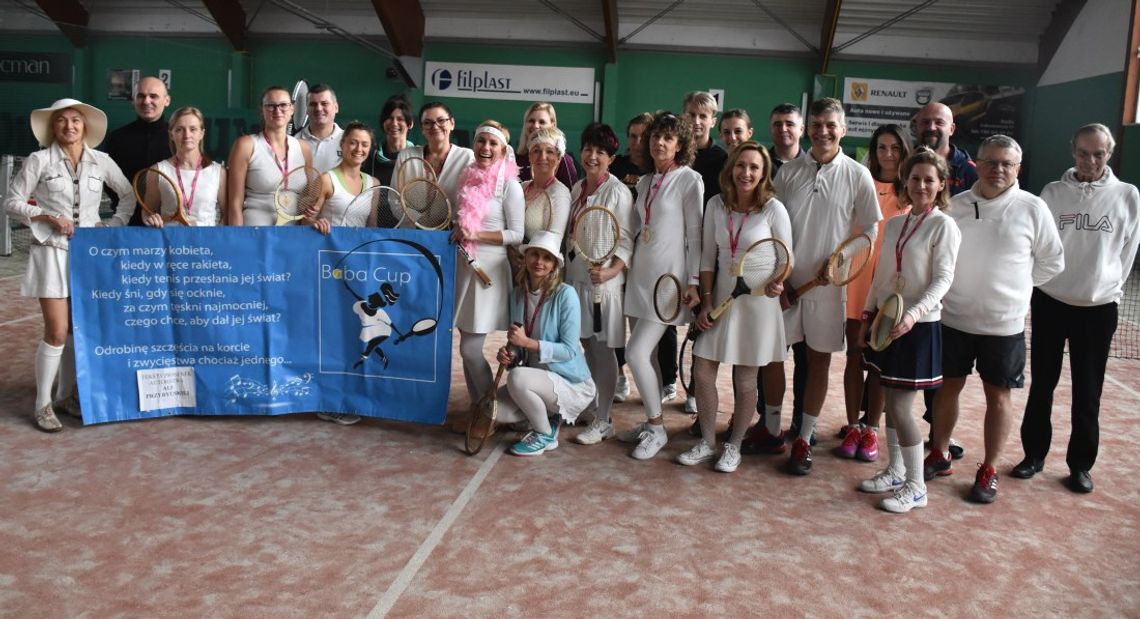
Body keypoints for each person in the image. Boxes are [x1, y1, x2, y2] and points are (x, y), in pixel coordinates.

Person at [926, 135, 1064, 504]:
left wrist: (1015, 289)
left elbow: (1053, 261)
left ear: (1017, 169)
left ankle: (988, 468)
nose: (998, 169)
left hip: (1004, 326)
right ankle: (938, 453)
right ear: (978, 164)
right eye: (991, 161)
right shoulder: (955, 206)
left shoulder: (1033, 208)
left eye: (1007, 163)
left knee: (998, 396)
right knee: (946, 388)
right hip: (953, 318)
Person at [1013, 123, 1140, 494]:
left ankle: (1081, 466)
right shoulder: (1053, 193)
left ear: (1109, 154)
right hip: (1051, 302)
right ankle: (1033, 456)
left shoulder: (1127, 196)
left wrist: (1109, 289)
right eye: (1084, 153)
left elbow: (1127, 252)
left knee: (1089, 391)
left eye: (1098, 153)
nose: (1090, 160)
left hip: (1098, 309)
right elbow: (1038, 245)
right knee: (1042, 386)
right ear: (1073, 152)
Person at [3, 98, 136, 431]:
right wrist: (46, 215)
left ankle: (66, 396)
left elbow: (129, 194)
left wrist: (114, 224)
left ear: (85, 127)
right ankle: (43, 404)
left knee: (78, 330)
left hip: (89, 255)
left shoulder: (101, 161)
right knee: (57, 330)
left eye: (76, 121)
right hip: (51, 251)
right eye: (62, 121)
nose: (69, 127)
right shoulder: (38, 160)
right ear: (53, 127)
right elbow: (11, 202)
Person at [775, 97, 881, 475]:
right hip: (784, 285)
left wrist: (840, 261)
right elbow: (774, 225)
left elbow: (870, 228)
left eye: (830, 125)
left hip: (828, 289)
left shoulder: (857, 174)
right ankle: (771, 427)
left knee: (818, 360)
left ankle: (803, 437)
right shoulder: (787, 173)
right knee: (773, 356)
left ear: (843, 129)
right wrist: (780, 276)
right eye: (816, 124)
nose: (823, 131)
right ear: (808, 128)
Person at [857, 148, 961, 513]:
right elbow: (882, 273)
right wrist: (869, 312)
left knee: (901, 407)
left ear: (941, 185)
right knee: (887, 398)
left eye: (929, 180)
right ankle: (897, 471)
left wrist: (914, 315)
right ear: (906, 181)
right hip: (886, 321)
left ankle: (917, 488)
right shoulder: (897, 224)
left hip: (918, 327)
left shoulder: (943, 225)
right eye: (915, 178)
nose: (920, 185)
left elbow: (943, 279)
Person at [677, 142, 790, 472]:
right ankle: (707, 441)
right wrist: (707, 300)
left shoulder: (773, 209)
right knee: (702, 371)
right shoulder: (715, 204)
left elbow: (785, 258)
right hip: (721, 298)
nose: (747, 173)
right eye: (741, 166)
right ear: (731, 169)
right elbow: (707, 257)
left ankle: (734, 445)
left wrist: (778, 280)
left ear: (763, 173)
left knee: (745, 381)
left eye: (755, 167)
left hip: (757, 305)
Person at [619, 111, 704, 460]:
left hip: (667, 284)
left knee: (635, 353)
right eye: (655, 136)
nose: (659, 142)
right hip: (639, 278)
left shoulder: (690, 180)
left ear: (680, 144)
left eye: (668, 137)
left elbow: (697, 235)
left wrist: (695, 280)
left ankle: (657, 427)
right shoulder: (644, 182)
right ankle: (649, 421)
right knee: (648, 357)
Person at [835, 124, 912, 461]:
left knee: (878, 362)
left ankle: (871, 429)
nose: (888, 154)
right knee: (854, 356)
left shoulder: (911, 191)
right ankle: (853, 425)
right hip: (856, 283)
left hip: (889, 289)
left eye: (895, 147)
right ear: (873, 151)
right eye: (882, 147)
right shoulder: (860, 183)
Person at [914, 102, 978, 458]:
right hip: (910, 285)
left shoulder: (968, 171)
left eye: (939, 122)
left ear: (951, 128)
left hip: (949, 288)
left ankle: (940, 435)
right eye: (925, 121)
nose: (931, 126)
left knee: (945, 371)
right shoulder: (909, 165)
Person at [494, 232, 597, 456]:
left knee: (517, 378)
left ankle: (544, 434)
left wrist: (527, 343)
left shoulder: (566, 295)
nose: (539, 262)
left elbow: (569, 351)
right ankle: (549, 415)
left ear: (554, 265)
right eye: (534, 255)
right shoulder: (517, 294)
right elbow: (521, 349)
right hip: (536, 376)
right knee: (496, 411)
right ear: (526, 257)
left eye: (546, 258)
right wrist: (511, 355)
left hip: (569, 382)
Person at [566, 123, 635, 446]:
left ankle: (605, 419)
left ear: (612, 157)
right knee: (586, 345)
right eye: (588, 149)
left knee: (603, 348)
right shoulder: (578, 187)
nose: (592, 156)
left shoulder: (618, 192)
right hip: (576, 279)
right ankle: (594, 407)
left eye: (600, 152)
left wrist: (611, 272)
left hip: (603, 286)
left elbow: (625, 239)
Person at [453, 121, 525, 423]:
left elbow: (517, 234)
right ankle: (476, 409)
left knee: (470, 348)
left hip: (489, 271)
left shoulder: (510, 186)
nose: (485, 147)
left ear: (502, 149)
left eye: (492, 143)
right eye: (481, 141)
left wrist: (476, 235)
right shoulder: (467, 177)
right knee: (464, 344)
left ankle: (489, 411)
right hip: (465, 267)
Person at [608, 112, 652, 403]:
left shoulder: (656, 171)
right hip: (617, 254)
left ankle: (659, 382)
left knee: (643, 327)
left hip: (647, 259)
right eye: (633, 135)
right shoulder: (619, 167)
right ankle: (618, 374)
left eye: (642, 136)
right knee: (614, 323)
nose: (637, 142)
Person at [226, 85, 313, 226]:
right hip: (254, 233)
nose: (277, 110)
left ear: (292, 109)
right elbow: (235, 203)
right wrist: (238, 240)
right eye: (271, 106)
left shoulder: (303, 148)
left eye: (283, 105)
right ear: (262, 109)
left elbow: (308, 198)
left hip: (294, 235)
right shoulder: (245, 145)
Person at [139, 106, 227, 228]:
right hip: (171, 243)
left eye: (193, 129)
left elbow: (227, 214)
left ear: (202, 133)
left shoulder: (218, 172)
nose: (187, 135)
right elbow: (148, 212)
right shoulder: (157, 171)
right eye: (180, 129)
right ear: (171, 134)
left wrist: (215, 238)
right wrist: (151, 219)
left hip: (207, 244)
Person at [104, 75, 172, 226]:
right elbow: (108, 183)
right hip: (127, 223)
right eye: (141, 96)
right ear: (133, 100)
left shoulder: (177, 138)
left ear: (167, 101)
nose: (146, 101)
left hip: (169, 223)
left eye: (153, 96)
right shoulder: (117, 138)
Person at [308, 122, 382, 235]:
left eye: (365, 144)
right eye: (353, 143)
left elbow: (372, 226)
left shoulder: (374, 184)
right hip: (329, 249)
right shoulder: (325, 180)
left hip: (359, 250)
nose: (359, 149)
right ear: (342, 144)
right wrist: (316, 223)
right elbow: (305, 221)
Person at [393, 102, 475, 202]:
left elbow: (472, 201)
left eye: (441, 120)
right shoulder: (406, 156)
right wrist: (416, 217)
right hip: (408, 218)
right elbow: (395, 198)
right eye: (428, 123)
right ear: (422, 128)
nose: (435, 127)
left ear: (452, 124)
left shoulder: (467, 157)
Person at [518, 126, 572, 245]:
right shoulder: (521, 188)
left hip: (538, 262)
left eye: (549, 151)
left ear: (558, 158)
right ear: (529, 156)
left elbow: (554, 242)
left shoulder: (560, 194)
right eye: (536, 150)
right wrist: (511, 252)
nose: (542, 157)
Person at [515, 102, 578, 189]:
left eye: (542, 122)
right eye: (531, 121)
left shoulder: (563, 159)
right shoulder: (516, 158)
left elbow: (571, 195)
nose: (536, 126)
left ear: (552, 125)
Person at [363, 94, 414, 186]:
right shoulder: (370, 156)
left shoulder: (417, 157)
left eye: (400, 119)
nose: (394, 123)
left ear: (410, 124)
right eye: (390, 118)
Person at [296, 84, 344, 173]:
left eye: (324, 103)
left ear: (336, 107)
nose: (318, 108)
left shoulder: (350, 141)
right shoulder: (294, 142)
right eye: (313, 104)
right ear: (306, 109)